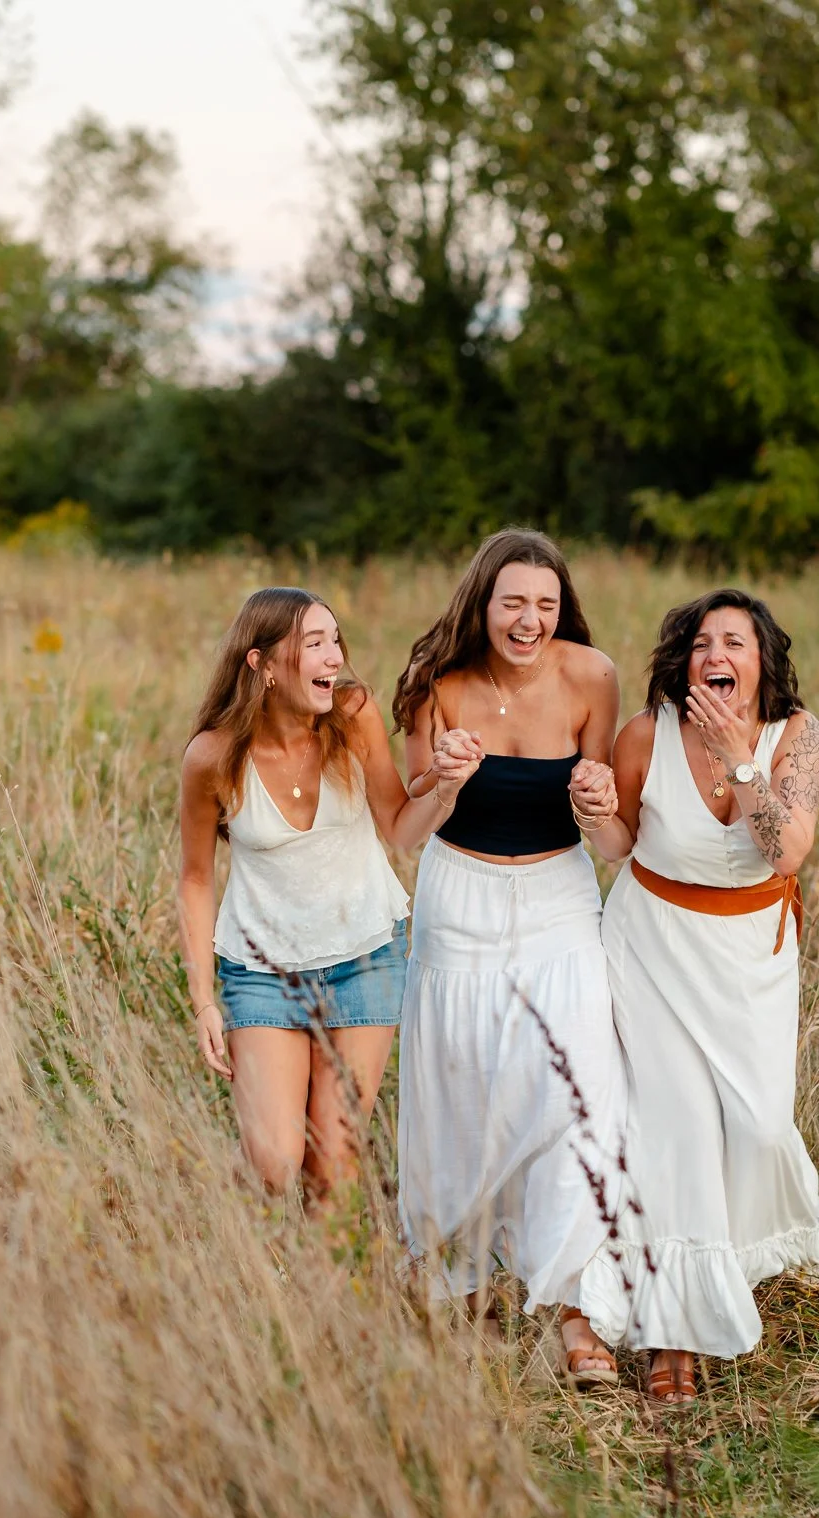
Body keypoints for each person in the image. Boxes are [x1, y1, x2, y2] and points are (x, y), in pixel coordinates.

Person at [579, 589, 819, 1403]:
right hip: (651, 944)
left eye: (733, 642)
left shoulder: (792, 738)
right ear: (682, 660)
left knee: (760, 1124)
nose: (714, 656)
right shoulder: (644, 734)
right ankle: (674, 1339)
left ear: (761, 661)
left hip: (747, 962)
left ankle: (737, 1253)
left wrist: (740, 756)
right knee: (681, 1133)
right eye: (700, 644)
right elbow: (618, 846)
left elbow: (786, 852)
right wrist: (592, 813)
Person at [392, 528, 627, 1382]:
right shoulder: (434, 685)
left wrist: (597, 804)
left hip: (562, 904)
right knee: (458, 1091)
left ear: (561, 610)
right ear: (482, 604)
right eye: (512, 603)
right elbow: (406, 833)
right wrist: (444, 783)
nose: (528, 620)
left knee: (576, 1096)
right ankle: (457, 1283)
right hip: (459, 904)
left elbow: (609, 845)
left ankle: (575, 1312)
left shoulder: (592, 677)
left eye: (545, 604)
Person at [178, 586, 479, 1203]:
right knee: (276, 1162)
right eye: (312, 644)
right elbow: (196, 879)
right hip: (262, 972)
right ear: (260, 665)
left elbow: (399, 826)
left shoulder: (353, 715)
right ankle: (240, 1232)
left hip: (365, 956)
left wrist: (446, 791)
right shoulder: (212, 758)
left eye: (334, 640)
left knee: (333, 1168)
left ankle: (316, 1296)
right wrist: (204, 1000)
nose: (333, 657)